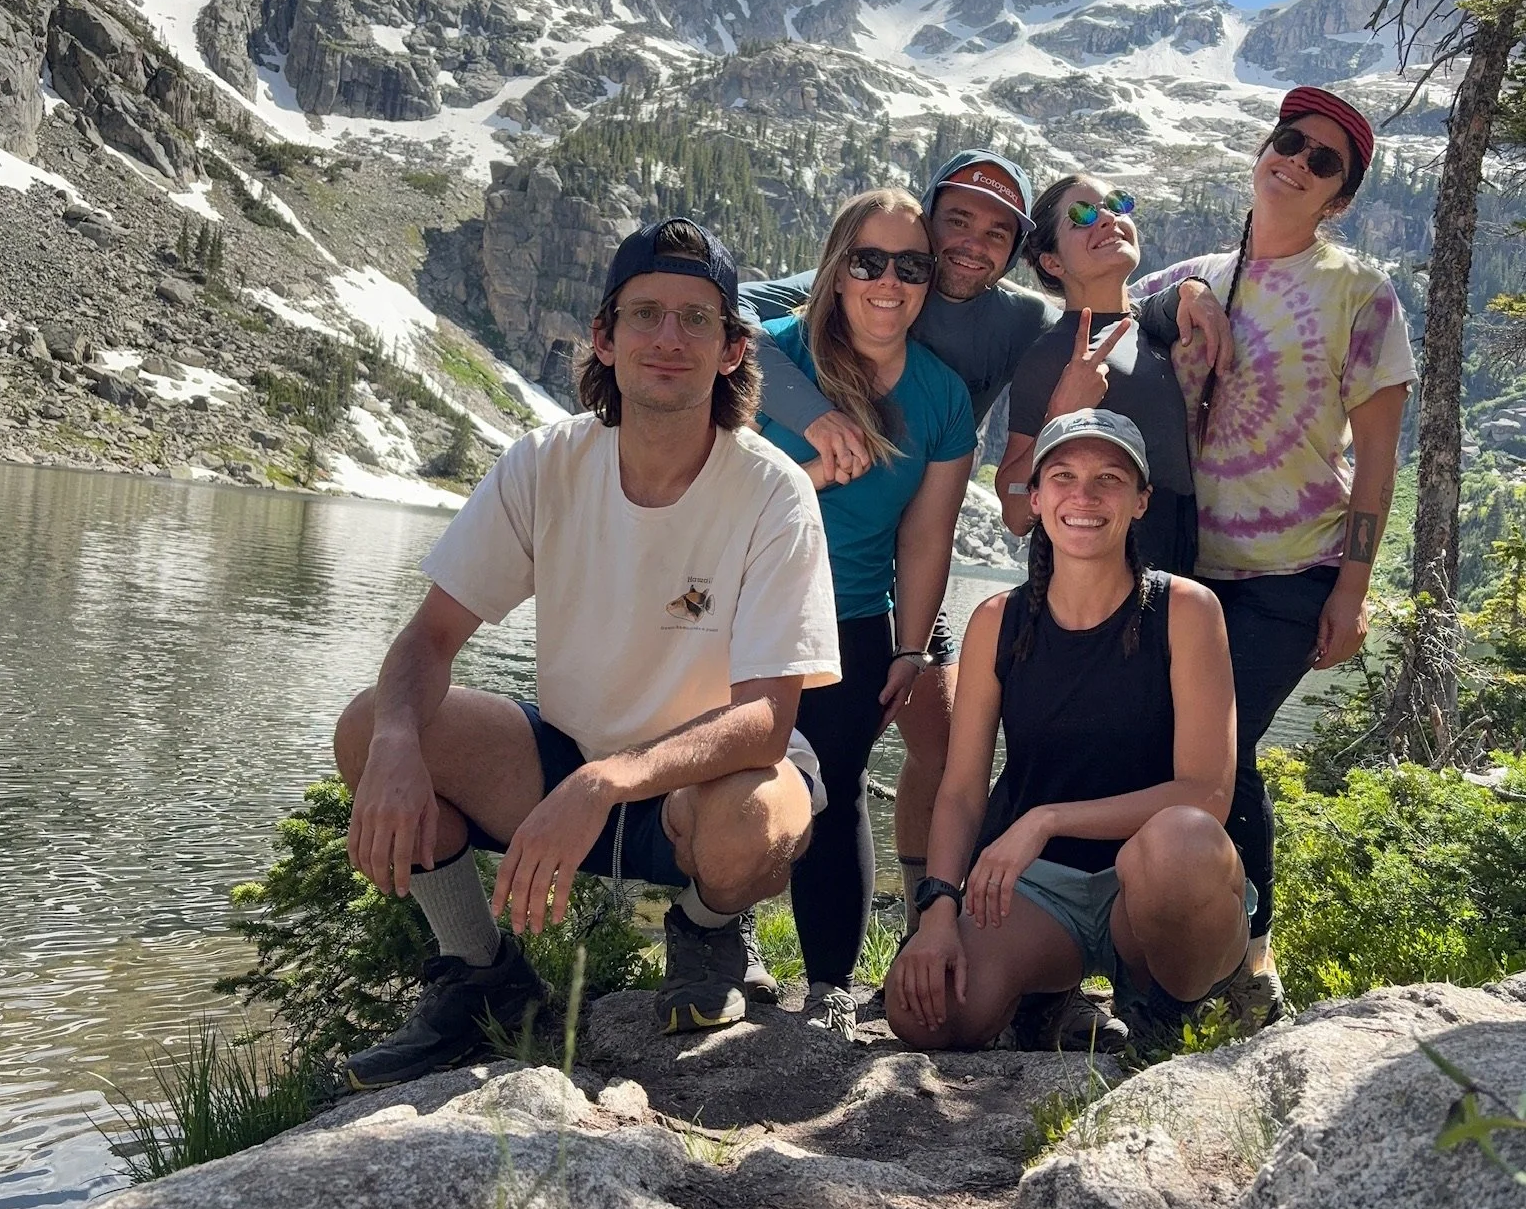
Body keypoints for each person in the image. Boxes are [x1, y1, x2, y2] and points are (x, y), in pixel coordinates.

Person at [333, 217, 841, 1085]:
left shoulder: (772, 491)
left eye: (696, 318)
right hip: (566, 755)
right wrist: (391, 748)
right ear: (604, 339)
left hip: (704, 780)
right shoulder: (547, 463)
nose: (668, 339)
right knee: (369, 727)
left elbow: (765, 718)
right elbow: (429, 639)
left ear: (731, 350)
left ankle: (709, 931)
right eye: (645, 315)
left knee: (757, 818)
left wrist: (604, 783)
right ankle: (483, 977)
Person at [742, 151, 1231, 924]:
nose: (970, 245)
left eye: (996, 231)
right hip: (807, 559)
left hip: (914, 541)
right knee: (805, 750)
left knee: (933, 737)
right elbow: (724, 317)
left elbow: (1103, 308)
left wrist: (1183, 297)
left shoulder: (1023, 318)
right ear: (923, 228)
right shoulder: (874, 275)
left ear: (1016, 252)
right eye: (956, 223)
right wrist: (811, 416)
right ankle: (779, 912)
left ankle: (919, 912)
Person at [1130, 85, 1415, 1026]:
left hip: (1293, 577)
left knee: (1215, 752)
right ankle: (1200, 957)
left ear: (1339, 197)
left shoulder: (1362, 297)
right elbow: (1100, 311)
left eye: (1323, 160)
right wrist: (1186, 293)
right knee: (1184, 754)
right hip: (1182, 571)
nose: (1295, 161)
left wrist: (1355, 587)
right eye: (1289, 141)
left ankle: (1240, 963)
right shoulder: (1198, 272)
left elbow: (1377, 460)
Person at [886, 408, 1248, 1058]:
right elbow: (963, 791)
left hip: (1153, 881)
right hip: (1034, 889)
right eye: (1064, 476)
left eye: (1109, 478)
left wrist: (1047, 818)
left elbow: (1206, 795)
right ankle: (1039, 995)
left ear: (1140, 500)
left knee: (1183, 842)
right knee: (923, 1015)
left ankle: (1165, 1014)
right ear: (1037, 495)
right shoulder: (999, 620)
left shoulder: (1187, 611)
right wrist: (938, 910)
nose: (1084, 496)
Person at [755, 190, 976, 1038]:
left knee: (835, 788)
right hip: (737, 610)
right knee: (727, 777)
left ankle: (828, 990)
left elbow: (926, 537)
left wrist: (911, 648)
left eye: (911, 266)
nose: (890, 282)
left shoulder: (941, 395)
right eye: (869, 261)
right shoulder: (771, 357)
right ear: (837, 270)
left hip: (850, 621)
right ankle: (721, 944)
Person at [998, 175, 1197, 573]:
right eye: (1082, 215)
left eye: (1117, 204)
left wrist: (1194, 290)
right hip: (1100, 587)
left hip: (1181, 573)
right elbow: (1016, 510)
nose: (1106, 218)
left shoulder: (1159, 327)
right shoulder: (1052, 355)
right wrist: (1060, 414)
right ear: (1052, 262)